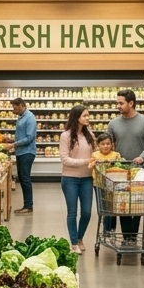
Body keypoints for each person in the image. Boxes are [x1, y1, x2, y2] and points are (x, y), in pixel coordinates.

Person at [106, 89, 144, 237]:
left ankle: (132, 235)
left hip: (138, 171)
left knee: (138, 204)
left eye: (121, 103)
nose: (118, 106)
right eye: (117, 103)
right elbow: (108, 144)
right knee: (123, 204)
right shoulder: (113, 124)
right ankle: (129, 237)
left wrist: (142, 157)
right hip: (119, 171)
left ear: (131, 103)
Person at [57, 105, 96, 253]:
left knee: (87, 212)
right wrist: (86, 162)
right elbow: (65, 159)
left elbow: (94, 155)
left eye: (88, 115)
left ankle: (80, 238)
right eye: (85, 115)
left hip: (87, 178)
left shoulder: (90, 135)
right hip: (70, 179)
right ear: (77, 117)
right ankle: (74, 242)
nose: (88, 118)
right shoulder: (65, 136)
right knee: (72, 212)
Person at [4, 97, 36, 214]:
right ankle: (27, 204)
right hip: (21, 152)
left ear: (22, 105)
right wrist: (11, 139)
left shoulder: (30, 118)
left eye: (15, 107)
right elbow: (22, 137)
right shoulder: (21, 117)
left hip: (27, 152)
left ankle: (28, 206)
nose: (13, 109)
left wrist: (13, 145)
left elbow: (29, 138)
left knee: (25, 179)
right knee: (22, 179)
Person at [90, 132, 121, 235]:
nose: (106, 146)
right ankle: (106, 229)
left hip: (113, 184)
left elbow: (120, 166)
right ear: (98, 145)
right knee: (103, 207)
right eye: (103, 144)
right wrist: (94, 163)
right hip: (99, 184)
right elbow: (89, 166)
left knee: (112, 207)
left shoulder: (116, 155)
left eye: (108, 144)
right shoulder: (95, 155)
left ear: (112, 144)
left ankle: (110, 228)